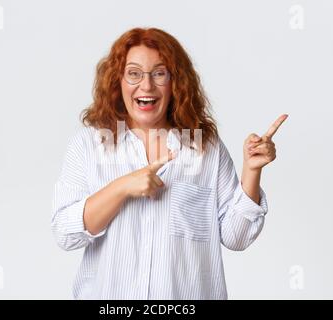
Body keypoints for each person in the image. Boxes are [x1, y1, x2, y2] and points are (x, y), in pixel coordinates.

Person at [52, 27, 288, 299]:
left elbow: (237, 237)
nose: (147, 85)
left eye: (159, 73)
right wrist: (121, 188)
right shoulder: (88, 145)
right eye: (134, 73)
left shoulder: (205, 147)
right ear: (118, 81)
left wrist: (251, 171)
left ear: (175, 82)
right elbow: (66, 233)